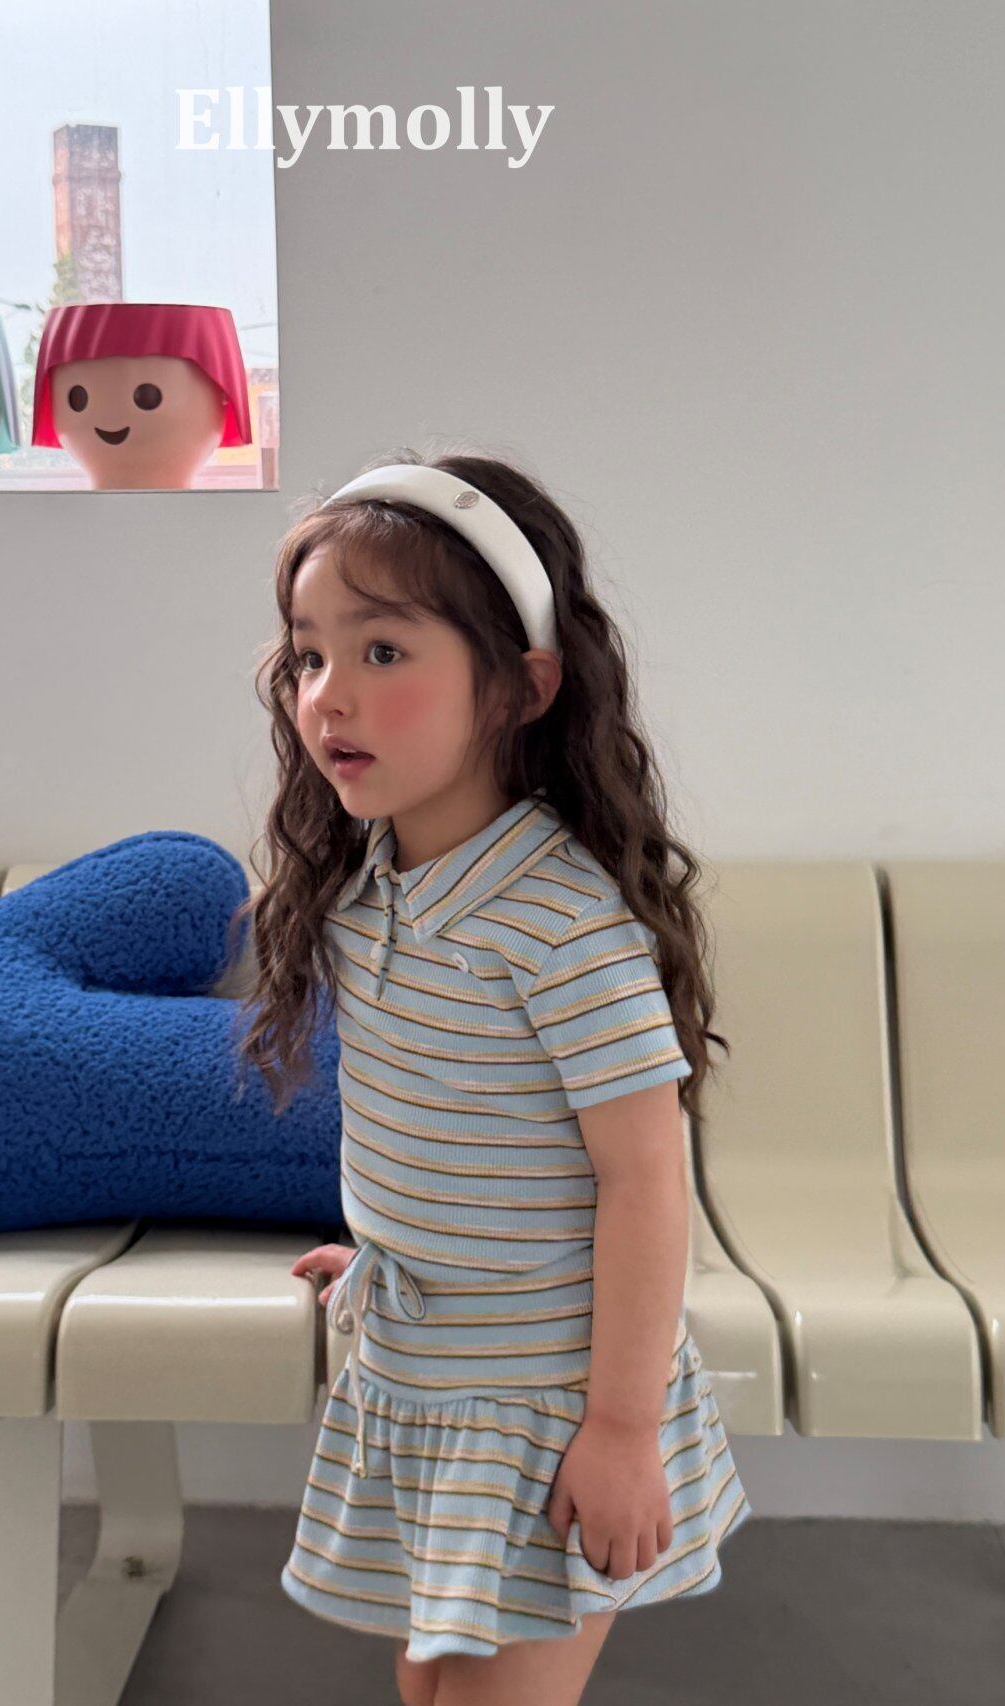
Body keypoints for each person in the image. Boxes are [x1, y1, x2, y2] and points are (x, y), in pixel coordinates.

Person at [231, 446, 753, 1706]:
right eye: (308, 655)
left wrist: (618, 1428)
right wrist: (394, 1249)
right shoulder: (370, 887)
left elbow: (643, 1179)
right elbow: (458, 1125)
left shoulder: (555, 922)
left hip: (544, 1401)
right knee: (427, 1684)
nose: (329, 695)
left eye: (382, 650)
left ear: (521, 685)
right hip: (428, 1375)